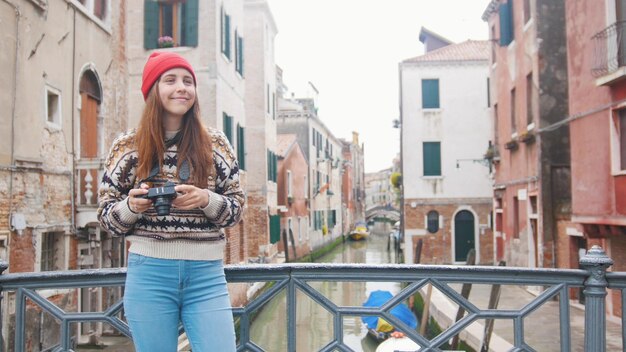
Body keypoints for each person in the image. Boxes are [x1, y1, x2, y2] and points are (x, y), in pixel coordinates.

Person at [97, 51, 244, 351]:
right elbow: (106, 217)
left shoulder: (216, 144)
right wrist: (131, 207)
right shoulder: (127, 146)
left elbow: (237, 209)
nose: (182, 87)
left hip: (206, 276)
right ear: (154, 89)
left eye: (188, 81)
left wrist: (206, 199)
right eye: (171, 80)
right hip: (149, 273)